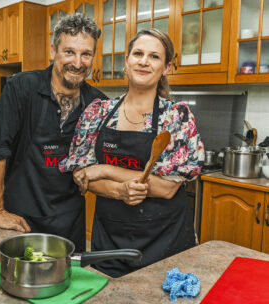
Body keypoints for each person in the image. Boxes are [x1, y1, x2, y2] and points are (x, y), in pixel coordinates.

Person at [59, 28, 205, 277]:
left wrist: (105, 169)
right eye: (138, 53)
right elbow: (83, 176)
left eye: (154, 56)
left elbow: (167, 188)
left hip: (166, 240)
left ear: (166, 68)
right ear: (126, 61)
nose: (144, 61)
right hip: (110, 242)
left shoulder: (176, 117)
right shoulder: (98, 112)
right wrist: (119, 191)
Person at [0, 14, 108, 252]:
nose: (78, 63)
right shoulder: (21, 87)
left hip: (70, 222)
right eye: (69, 52)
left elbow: (105, 159)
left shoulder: (99, 103)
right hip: (20, 220)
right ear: (52, 51)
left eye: (86, 54)